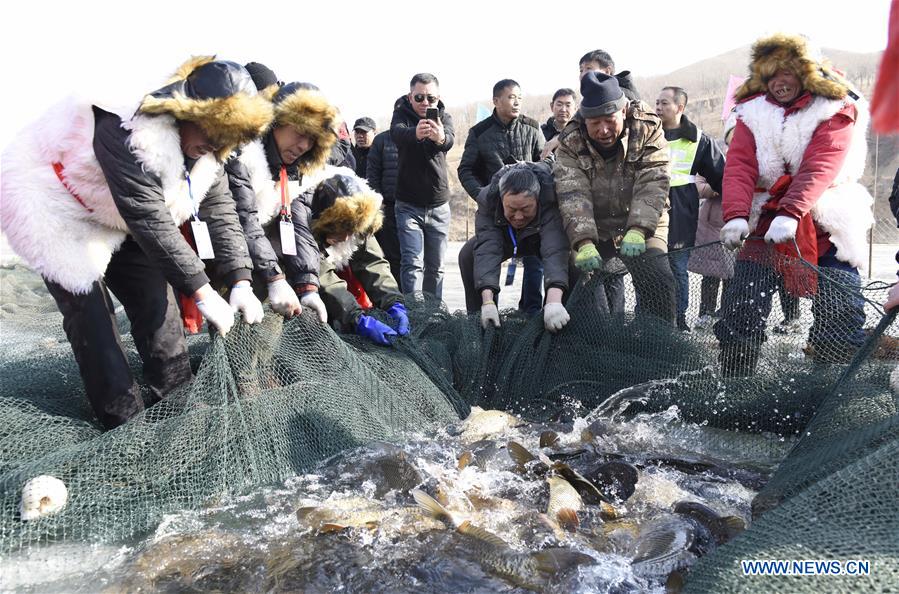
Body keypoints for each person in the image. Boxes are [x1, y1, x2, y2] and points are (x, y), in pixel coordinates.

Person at [0, 57, 272, 429]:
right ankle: (125, 426)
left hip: (118, 214)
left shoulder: (211, 153)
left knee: (158, 307)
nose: (214, 143)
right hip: (55, 204)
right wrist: (203, 291)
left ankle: (178, 407)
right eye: (211, 130)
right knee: (93, 320)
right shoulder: (128, 126)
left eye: (226, 137)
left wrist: (241, 280)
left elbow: (221, 210)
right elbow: (147, 215)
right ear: (185, 110)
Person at [715, 33, 874, 375]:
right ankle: (735, 379)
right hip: (765, 218)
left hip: (826, 219)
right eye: (771, 74)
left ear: (805, 72)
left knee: (840, 308)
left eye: (786, 72)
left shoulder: (836, 105)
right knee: (741, 307)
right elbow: (740, 166)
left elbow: (822, 163)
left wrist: (791, 211)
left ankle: (831, 382)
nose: (779, 82)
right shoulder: (750, 112)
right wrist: (736, 215)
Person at [554, 71, 676, 323]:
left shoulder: (647, 126)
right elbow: (572, 193)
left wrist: (639, 228)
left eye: (609, 120)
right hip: (594, 225)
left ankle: (659, 340)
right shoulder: (570, 140)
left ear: (623, 111)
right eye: (595, 123)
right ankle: (593, 337)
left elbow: (654, 180)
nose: (603, 130)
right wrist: (583, 241)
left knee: (657, 276)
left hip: (645, 220)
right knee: (579, 279)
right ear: (584, 120)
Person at [225, 81, 341, 326]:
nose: (304, 146)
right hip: (225, 262)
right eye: (301, 133)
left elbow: (299, 226)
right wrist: (275, 278)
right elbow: (244, 218)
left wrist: (308, 286)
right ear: (276, 121)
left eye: (313, 139)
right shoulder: (242, 154)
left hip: (263, 264)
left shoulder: (299, 171)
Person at [457, 79, 546, 315]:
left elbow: (547, 164)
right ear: (496, 101)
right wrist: (483, 195)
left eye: (519, 98)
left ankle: (540, 314)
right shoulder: (479, 132)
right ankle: (482, 317)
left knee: (559, 258)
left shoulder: (532, 127)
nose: (516, 102)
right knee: (469, 255)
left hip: (532, 217)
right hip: (498, 216)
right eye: (511, 97)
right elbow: (466, 170)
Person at [459, 163, 573, 333]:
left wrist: (553, 301)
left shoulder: (550, 195)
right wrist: (487, 301)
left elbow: (555, 249)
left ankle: (557, 321)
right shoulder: (488, 199)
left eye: (526, 209)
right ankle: (483, 324)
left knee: (574, 260)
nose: (518, 216)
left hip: (539, 236)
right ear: (501, 200)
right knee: (468, 254)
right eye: (511, 209)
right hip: (505, 236)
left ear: (537, 200)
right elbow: (487, 249)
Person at [305, 173, 409, 345]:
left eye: (351, 231)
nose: (346, 238)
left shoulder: (361, 221)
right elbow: (324, 278)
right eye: (339, 230)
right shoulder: (305, 227)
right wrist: (357, 318)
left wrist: (394, 303)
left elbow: (372, 263)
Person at [655, 86, 726, 331]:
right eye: (657, 103)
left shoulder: (698, 139)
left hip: (681, 211)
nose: (658, 107)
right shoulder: (647, 133)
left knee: (677, 266)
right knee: (651, 266)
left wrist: (734, 210)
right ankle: (651, 317)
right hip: (650, 208)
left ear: (680, 107)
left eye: (664, 103)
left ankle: (679, 319)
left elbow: (721, 175)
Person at [390, 72, 455, 299]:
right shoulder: (401, 115)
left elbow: (450, 139)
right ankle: (414, 312)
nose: (425, 103)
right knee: (412, 263)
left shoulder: (444, 117)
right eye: (419, 98)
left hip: (439, 204)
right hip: (408, 204)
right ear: (410, 97)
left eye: (431, 98)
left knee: (436, 267)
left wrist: (440, 138)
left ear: (438, 98)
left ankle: (434, 312)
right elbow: (397, 134)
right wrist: (415, 133)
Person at [366, 129, 401, 285]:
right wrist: (379, 199)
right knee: (392, 254)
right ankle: (395, 292)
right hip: (389, 206)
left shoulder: (418, 137)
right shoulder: (382, 140)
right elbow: (372, 172)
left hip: (413, 204)